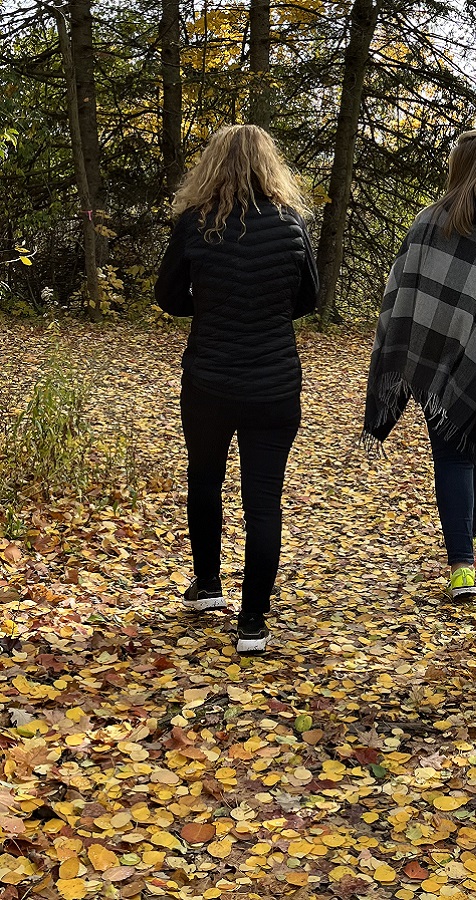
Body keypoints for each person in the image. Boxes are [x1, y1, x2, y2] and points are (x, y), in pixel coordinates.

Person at [155, 124, 319, 654]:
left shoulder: (195, 224)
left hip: (209, 378)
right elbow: (308, 299)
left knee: (204, 478)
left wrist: (209, 308)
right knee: (263, 499)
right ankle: (253, 621)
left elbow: (168, 296)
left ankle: (207, 585)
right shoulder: (292, 225)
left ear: (213, 166)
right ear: (270, 166)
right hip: (274, 381)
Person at [363, 131, 476, 599]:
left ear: (456, 168)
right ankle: (467, 550)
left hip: (437, 359)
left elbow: (401, 295)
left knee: (452, 454)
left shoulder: (430, 222)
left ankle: (462, 559)